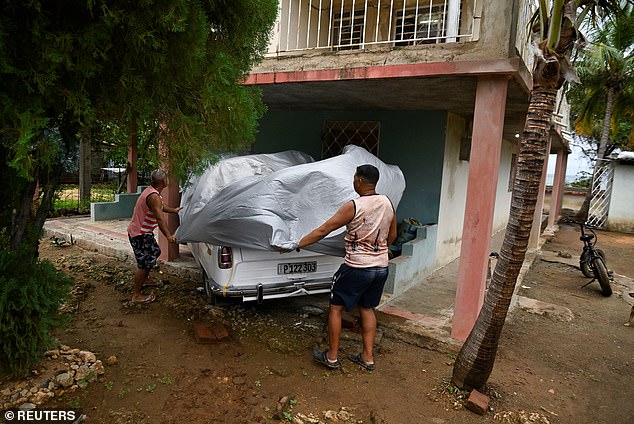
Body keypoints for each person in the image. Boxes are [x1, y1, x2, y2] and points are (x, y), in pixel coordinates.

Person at [298, 164, 397, 370]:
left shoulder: (353, 206)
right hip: (380, 268)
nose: (353, 181)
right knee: (367, 308)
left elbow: (324, 229)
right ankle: (367, 358)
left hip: (357, 268)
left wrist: (297, 243)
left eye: (354, 178)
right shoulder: (388, 203)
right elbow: (392, 236)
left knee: (336, 308)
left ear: (360, 180)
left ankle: (331, 356)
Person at [127, 169, 181, 303]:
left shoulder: (153, 192)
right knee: (143, 263)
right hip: (139, 234)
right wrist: (169, 236)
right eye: (167, 178)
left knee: (155, 252)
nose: (168, 180)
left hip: (144, 232)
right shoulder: (153, 196)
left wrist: (174, 210)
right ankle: (136, 295)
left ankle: (144, 280)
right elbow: (160, 218)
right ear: (163, 181)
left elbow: (161, 207)